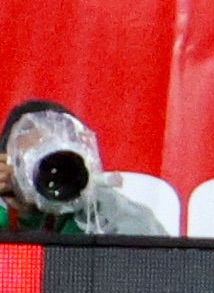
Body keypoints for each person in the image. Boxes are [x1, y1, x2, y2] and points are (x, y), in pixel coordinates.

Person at [0, 101, 166, 237]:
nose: (50, 171)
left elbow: (156, 259)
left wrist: (91, 194)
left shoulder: (93, 210)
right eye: (30, 158)